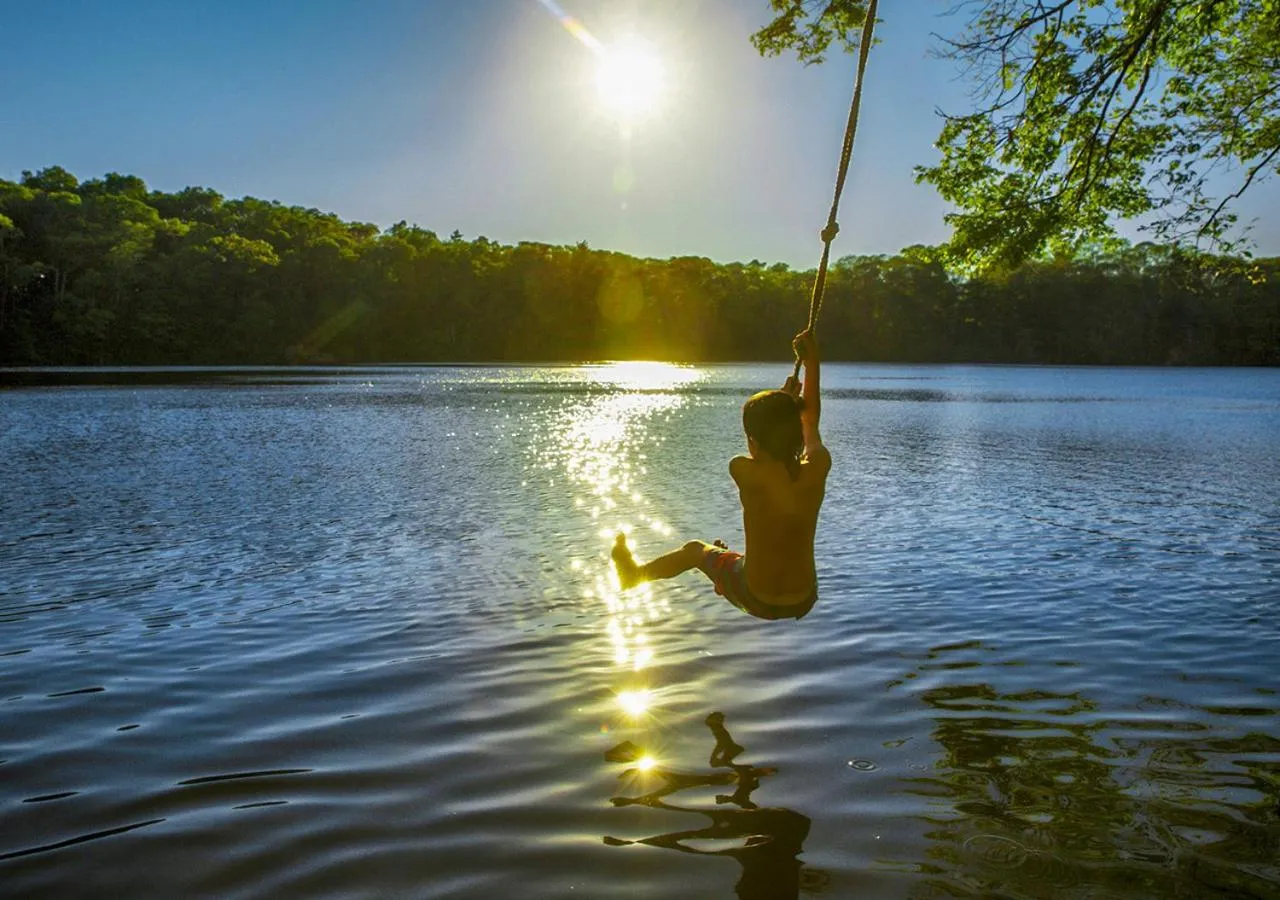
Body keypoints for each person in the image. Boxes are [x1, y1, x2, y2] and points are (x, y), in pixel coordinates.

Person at [611, 330, 830, 620]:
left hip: (755, 596)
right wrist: (812, 361)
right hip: (802, 599)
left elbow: (763, 456)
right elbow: (810, 420)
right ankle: (724, 570)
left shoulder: (742, 470)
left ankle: (634, 575)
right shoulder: (817, 467)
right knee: (739, 555)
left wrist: (783, 400)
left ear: (752, 440)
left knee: (696, 552)